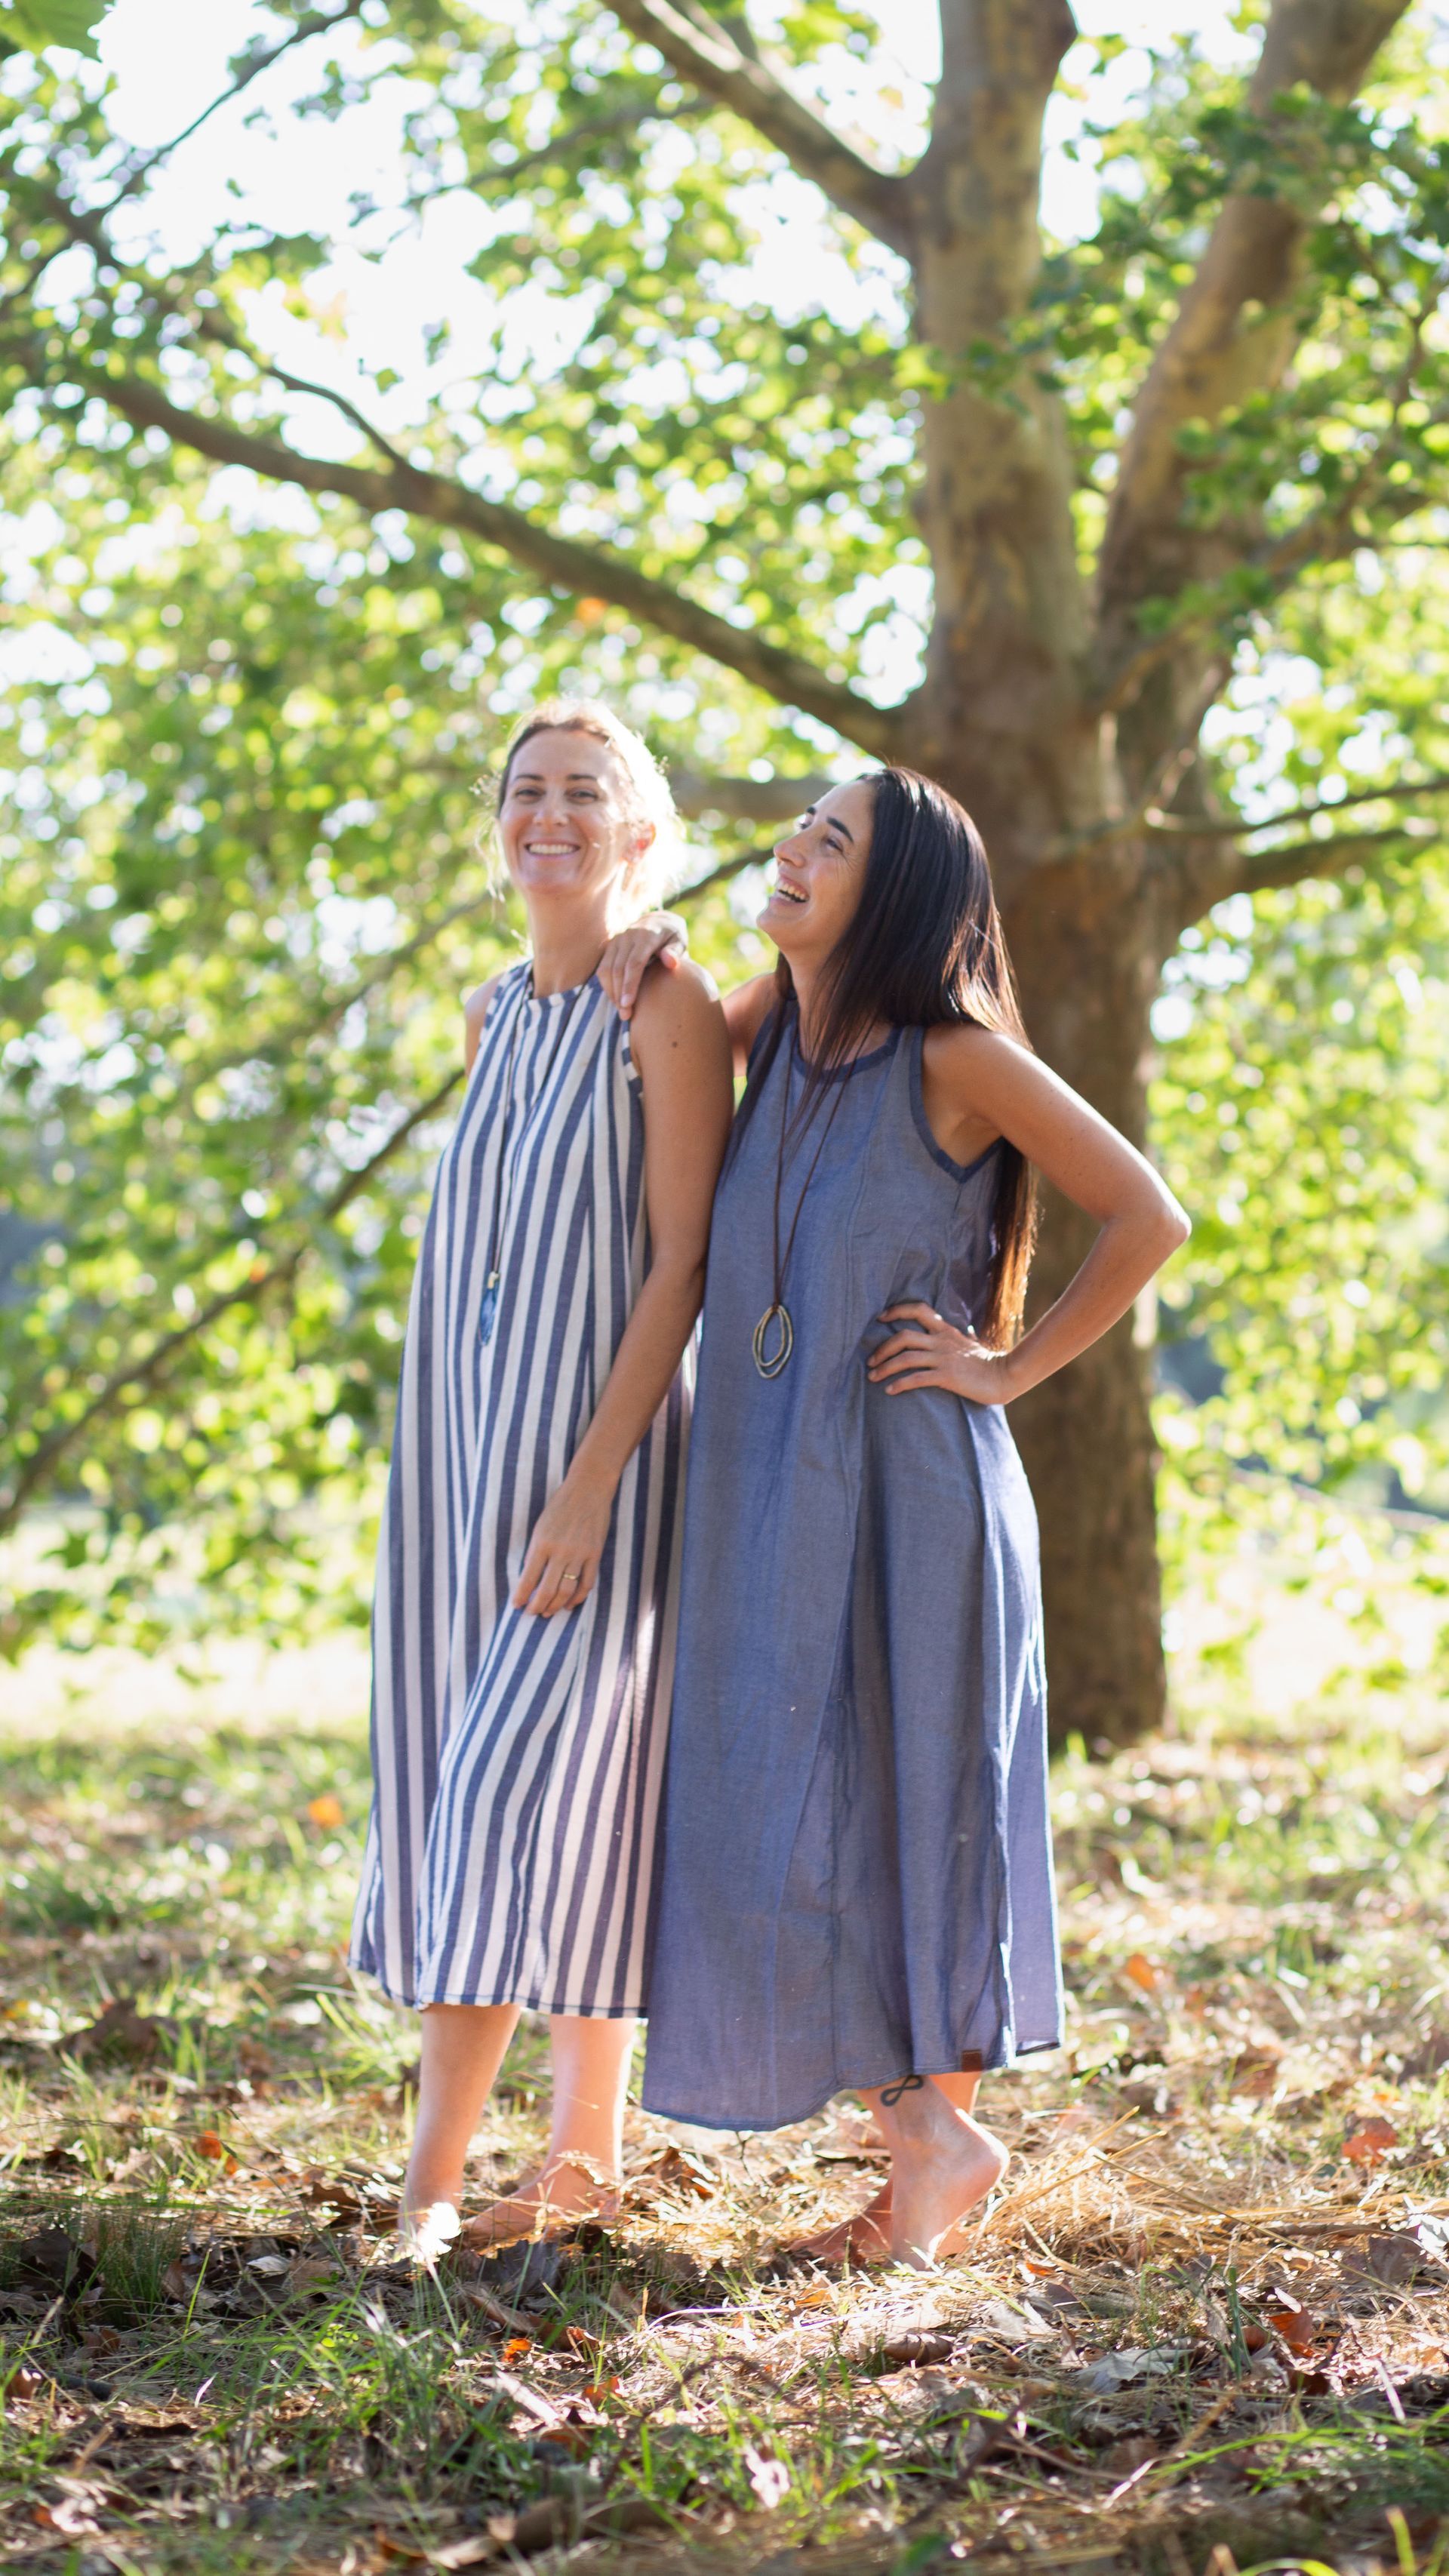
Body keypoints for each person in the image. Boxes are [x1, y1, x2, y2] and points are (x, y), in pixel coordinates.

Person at [601, 768, 1189, 2269]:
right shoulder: (770, 1030)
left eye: (832, 838)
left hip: (913, 1492)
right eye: (799, 821)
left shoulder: (953, 1056)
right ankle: (928, 2139)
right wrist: (642, 942)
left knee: (921, 1803)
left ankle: (925, 2152)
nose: (793, 846)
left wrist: (1004, 1369)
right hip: (764, 1486)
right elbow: (661, 1036)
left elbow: (1148, 1214)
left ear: (898, 894)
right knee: (765, 1804)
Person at [351, 700, 733, 2262]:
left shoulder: (671, 1003)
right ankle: (582, 2162)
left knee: (516, 1796)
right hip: (457, 1463)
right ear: (496, 825)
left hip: (604, 1464)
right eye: (526, 791)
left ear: (639, 830)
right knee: (531, 1798)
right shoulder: (489, 1016)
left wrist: (590, 1487)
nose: (550, 814)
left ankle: (424, 2189)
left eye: (587, 791)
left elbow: (683, 1261)